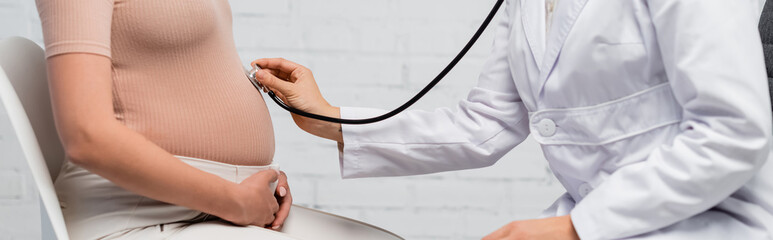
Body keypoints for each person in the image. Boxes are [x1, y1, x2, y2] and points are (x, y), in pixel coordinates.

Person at [253, 0, 773, 239]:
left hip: (709, 223)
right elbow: (488, 122)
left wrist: (576, 228)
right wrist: (329, 119)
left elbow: (734, 131)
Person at [35, 0, 292, 239]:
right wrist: (235, 199)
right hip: (138, 216)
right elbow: (86, 135)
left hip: (212, 209)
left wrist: (260, 180)